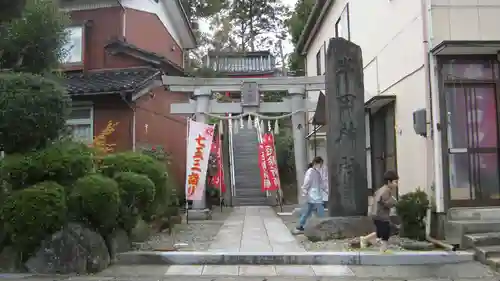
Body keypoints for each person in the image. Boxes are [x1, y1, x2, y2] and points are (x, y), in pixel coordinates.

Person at [363, 170, 399, 252]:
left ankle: (365, 239)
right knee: (385, 233)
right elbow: (386, 202)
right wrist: (394, 202)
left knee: (380, 232)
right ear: (389, 182)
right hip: (381, 216)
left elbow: (377, 198)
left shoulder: (381, 189)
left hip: (376, 214)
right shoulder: (387, 190)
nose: (396, 184)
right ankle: (383, 250)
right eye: (395, 182)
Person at [293, 156, 328, 234]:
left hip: (316, 195)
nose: (321, 166)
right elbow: (307, 182)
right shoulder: (310, 171)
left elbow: (321, 184)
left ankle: (301, 225)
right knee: (319, 211)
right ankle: (322, 226)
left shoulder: (316, 172)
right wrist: (304, 191)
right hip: (313, 195)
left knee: (308, 211)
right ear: (316, 163)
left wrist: (327, 191)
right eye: (320, 164)